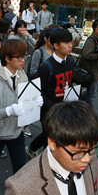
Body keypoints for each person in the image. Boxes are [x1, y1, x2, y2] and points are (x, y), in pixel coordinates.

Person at [0, 38, 39, 195]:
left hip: (16, 129)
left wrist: (34, 102)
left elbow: (25, 101)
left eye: (24, 57)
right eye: (19, 57)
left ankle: (18, 188)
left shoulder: (22, 75)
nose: (23, 61)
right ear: (7, 58)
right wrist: (8, 111)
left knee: (20, 163)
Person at [27, 29, 75, 158]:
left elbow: (70, 82)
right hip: (49, 110)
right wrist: (50, 106)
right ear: (56, 45)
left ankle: (31, 148)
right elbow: (37, 90)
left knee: (53, 134)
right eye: (66, 42)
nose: (70, 45)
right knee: (52, 138)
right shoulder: (46, 67)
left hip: (64, 107)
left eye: (70, 41)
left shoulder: (70, 61)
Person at [78, 19, 98, 109]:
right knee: (90, 95)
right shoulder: (91, 40)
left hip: (93, 72)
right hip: (90, 72)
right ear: (97, 29)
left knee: (89, 94)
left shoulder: (97, 39)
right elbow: (86, 55)